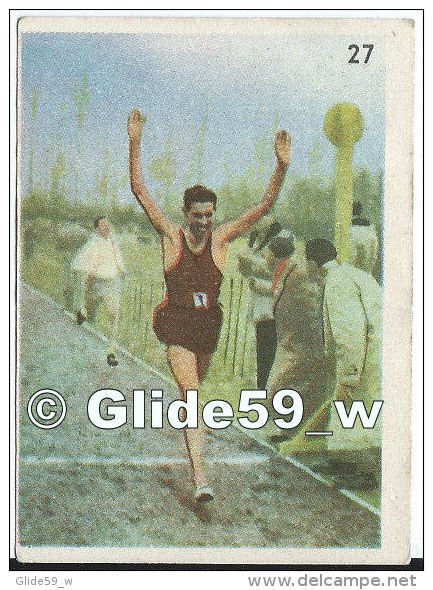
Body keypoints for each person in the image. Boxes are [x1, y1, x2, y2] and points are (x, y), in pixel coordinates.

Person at [128, 109, 291, 501]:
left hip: (207, 328)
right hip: (177, 327)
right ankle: (200, 477)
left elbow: (262, 208)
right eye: (197, 215)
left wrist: (281, 168)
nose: (203, 221)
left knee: (195, 394)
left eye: (209, 215)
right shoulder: (172, 238)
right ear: (187, 215)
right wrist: (134, 140)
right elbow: (139, 190)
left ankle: (195, 459)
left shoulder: (221, 241)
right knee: (192, 396)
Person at [305, 239, 382, 455]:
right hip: (372, 357)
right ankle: (348, 464)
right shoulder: (350, 274)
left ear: (313, 264)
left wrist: (348, 379)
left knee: (357, 419)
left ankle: (357, 468)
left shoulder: (337, 284)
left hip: (365, 361)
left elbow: (349, 337)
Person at [263, 236, 329, 444]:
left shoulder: (297, 273)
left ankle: (296, 432)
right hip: (291, 342)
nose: (265, 256)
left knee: (279, 389)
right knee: (282, 389)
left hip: (303, 344)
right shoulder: (285, 270)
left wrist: (313, 342)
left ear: (274, 255)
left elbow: (310, 309)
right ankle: (291, 431)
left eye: (267, 252)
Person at [71, 216, 126, 367]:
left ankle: (111, 351)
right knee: (88, 310)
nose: (107, 227)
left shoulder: (113, 242)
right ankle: (82, 313)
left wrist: (121, 271)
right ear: (97, 228)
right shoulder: (92, 243)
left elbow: (118, 259)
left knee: (113, 314)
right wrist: (89, 273)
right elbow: (78, 263)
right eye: (103, 225)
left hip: (112, 283)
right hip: (97, 283)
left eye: (108, 224)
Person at [237, 218, 282, 389]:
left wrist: (253, 263)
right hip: (255, 294)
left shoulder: (281, 238)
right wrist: (243, 264)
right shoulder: (255, 238)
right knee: (255, 338)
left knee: (267, 341)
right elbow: (245, 270)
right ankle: (256, 379)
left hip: (268, 296)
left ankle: (265, 383)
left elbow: (278, 271)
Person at [350, 201, 379, 274]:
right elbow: (373, 255)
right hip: (367, 272)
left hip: (353, 273)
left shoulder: (349, 229)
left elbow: (352, 256)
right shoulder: (370, 228)